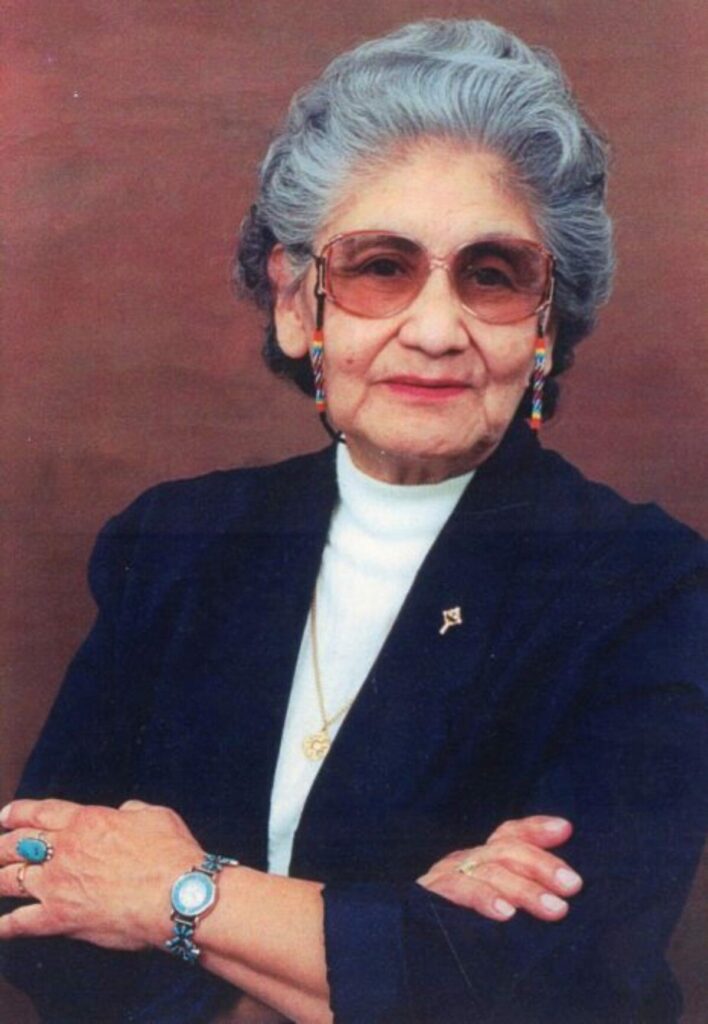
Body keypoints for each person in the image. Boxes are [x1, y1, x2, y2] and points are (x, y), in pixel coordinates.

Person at [0, 17, 706, 1024]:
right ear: (301, 307)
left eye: (492, 275)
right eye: (382, 267)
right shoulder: (177, 545)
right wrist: (386, 944)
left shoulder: (646, 584)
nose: (436, 329)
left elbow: (561, 983)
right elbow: (39, 888)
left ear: (546, 326)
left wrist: (175, 893)